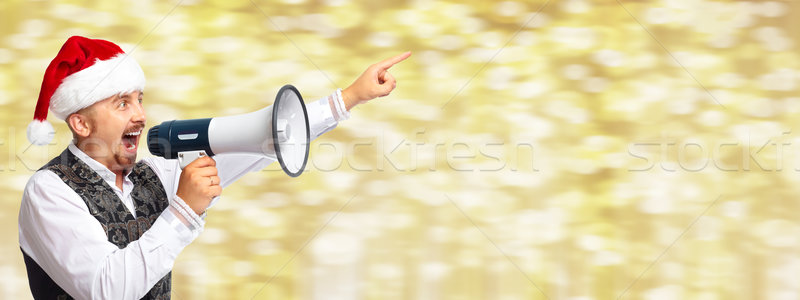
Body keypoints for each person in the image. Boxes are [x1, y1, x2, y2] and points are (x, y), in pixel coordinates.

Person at [18, 36, 410, 300]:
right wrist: (183, 212)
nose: (140, 115)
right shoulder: (49, 191)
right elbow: (108, 288)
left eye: (140, 99)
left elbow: (264, 144)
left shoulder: (156, 175)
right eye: (122, 103)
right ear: (81, 123)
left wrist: (349, 98)